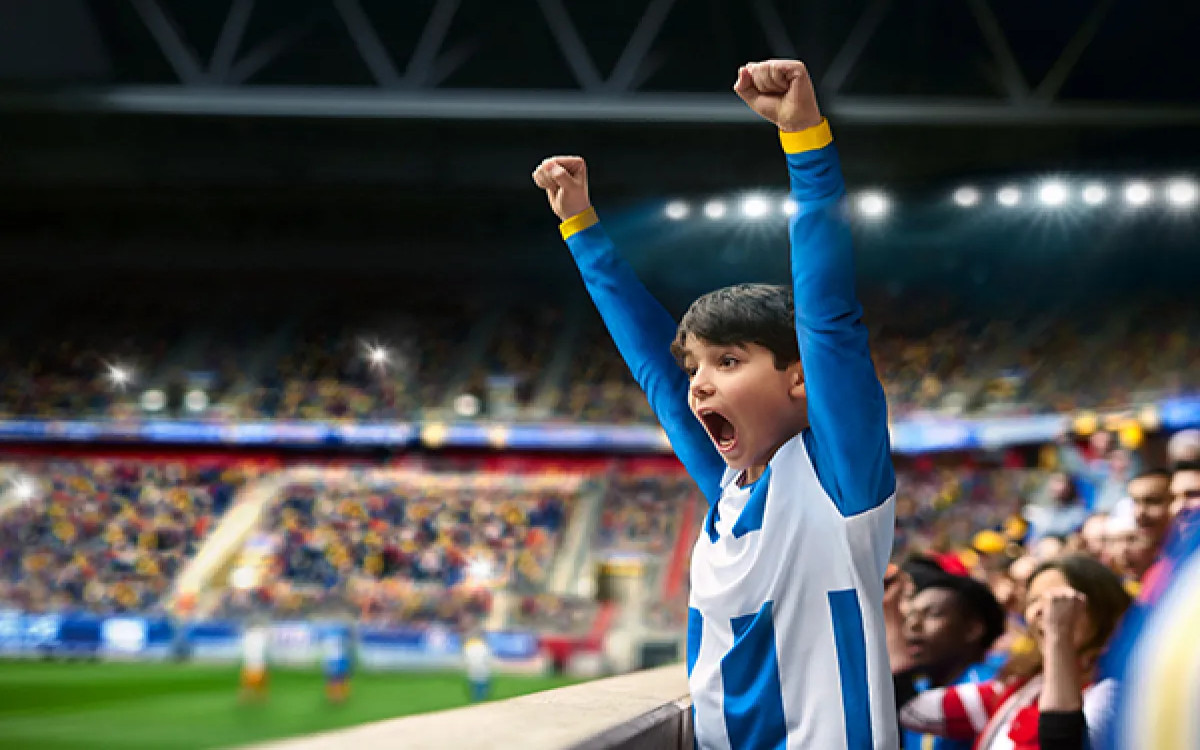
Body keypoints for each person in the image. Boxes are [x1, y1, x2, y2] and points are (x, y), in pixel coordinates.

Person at [533, 58, 897, 749]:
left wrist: (805, 144)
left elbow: (829, 317)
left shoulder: (838, 482)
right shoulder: (728, 489)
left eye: (728, 361)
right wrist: (581, 227)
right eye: (697, 365)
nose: (698, 383)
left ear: (800, 378)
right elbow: (655, 370)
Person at [898, 555, 1131, 750]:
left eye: (1059, 600)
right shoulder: (1024, 686)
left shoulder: (1112, 689)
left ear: (1101, 606)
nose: (1044, 612)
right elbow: (912, 711)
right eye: (1033, 601)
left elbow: (1061, 741)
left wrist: (1059, 640)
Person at [886, 572, 1006, 750]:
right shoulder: (919, 686)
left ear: (973, 629)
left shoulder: (993, 686)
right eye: (910, 615)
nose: (913, 625)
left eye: (932, 614)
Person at [240, 619, 269, 701]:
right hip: (256, 659)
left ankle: (253, 695)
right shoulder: (258, 636)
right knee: (255, 678)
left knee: (254, 678)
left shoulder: (248, 636)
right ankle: (253, 695)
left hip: (252, 659)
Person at [321, 624, 352, 703]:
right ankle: (336, 696)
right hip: (336, 660)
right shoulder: (337, 640)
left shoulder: (335, 640)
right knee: (336, 679)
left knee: (337, 678)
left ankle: (337, 696)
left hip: (337, 660)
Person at [463, 633, 492, 702]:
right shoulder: (483, 647)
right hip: (482, 668)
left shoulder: (469, 647)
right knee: (483, 683)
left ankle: (476, 698)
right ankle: (482, 698)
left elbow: (466, 659)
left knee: (475, 684)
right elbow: (488, 658)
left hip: (473, 668)